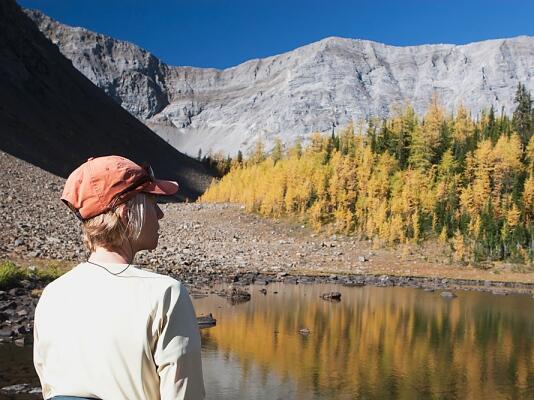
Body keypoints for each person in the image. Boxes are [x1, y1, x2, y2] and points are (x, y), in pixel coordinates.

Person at [33, 155, 205, 400]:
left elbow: (48, 387)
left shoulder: (52, 294)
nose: (159, 214)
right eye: (152, 200)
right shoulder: (166, 295)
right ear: (126, 213)